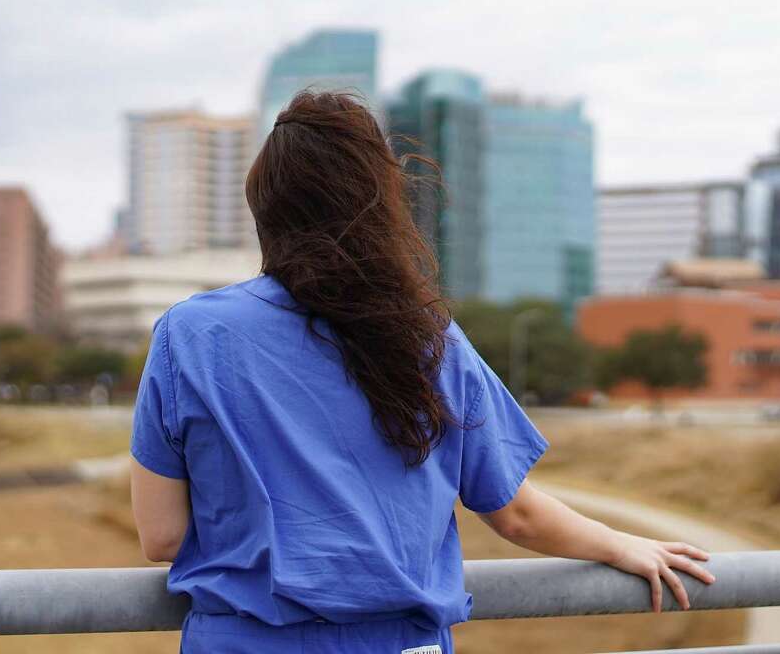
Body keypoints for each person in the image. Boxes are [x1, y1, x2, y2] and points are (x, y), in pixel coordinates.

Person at [130, 90, 714, 653]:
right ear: (382, 204)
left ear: (265, 210)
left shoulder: (190, 336)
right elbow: (516, 513)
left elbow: (163, 537)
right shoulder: (430, 340)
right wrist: (622, 545)